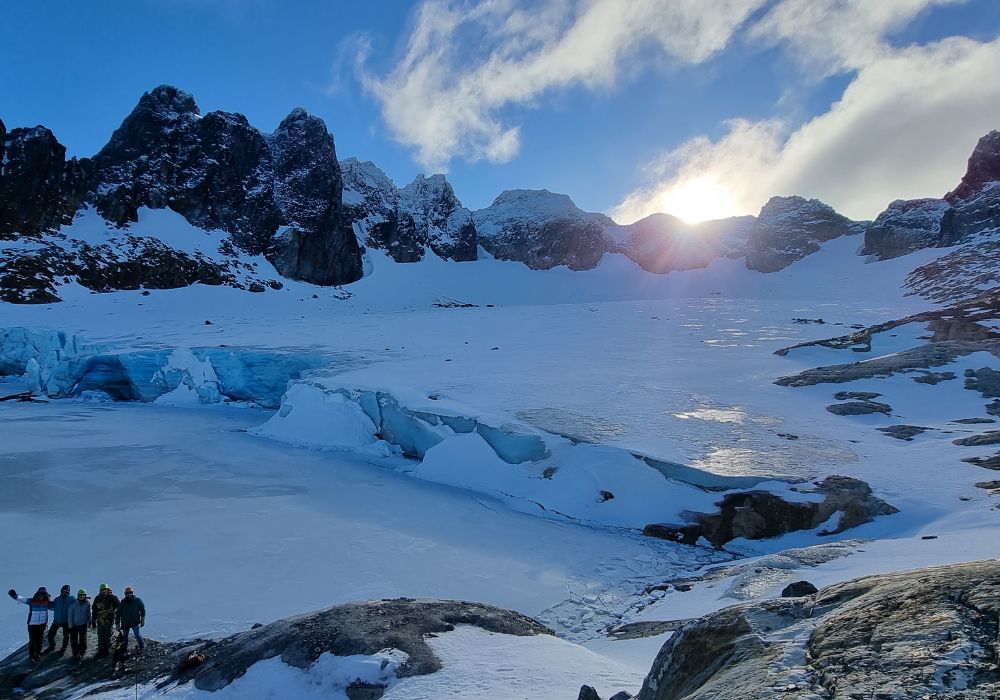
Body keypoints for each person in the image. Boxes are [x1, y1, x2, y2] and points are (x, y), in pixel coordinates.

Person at [8, 587, 52, 662]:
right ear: (37, 594)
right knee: (32, 640)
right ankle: (31, 655)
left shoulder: (47, 603)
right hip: (32, 624)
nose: (41, 596)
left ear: (45, 595)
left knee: (39, 639)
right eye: (39, 594)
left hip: (42, 625)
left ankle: (37, 653)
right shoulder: (32, 601)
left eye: (42, 594)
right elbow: (22, 599)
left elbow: (55, 608)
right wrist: (15, 595)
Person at [91, 583, 120, 658]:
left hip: (109, 619)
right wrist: (93, 620)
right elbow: (94, 610)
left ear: (107, 590)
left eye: (105, 590)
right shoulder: (97, 598)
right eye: (102, 590)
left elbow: (119, 606)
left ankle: (107, 650)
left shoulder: (112, 597)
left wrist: (117, 615)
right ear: (100, 590)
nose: (104, 591)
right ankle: (100, 651)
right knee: (100, 635)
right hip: (100, 620)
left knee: (108, 634)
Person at [115, 586, 145, 654]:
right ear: (125, 594)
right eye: (127, 593)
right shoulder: (122, 602)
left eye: (130, 593)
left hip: (135, 622)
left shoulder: (137, 600)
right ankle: (124, 649)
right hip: (125, 623)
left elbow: (142, 610)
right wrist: (117, 624)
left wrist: (142, 619)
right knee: (125, 637)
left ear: (132, 593)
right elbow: (118, 613)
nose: (129, 594)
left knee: (137, 634)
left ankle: (142, 646)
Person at [46, 584, 73, 655]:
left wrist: (84, 599)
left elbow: (77, 603)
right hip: (56, 621)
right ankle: (52, 646)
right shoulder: (57, 599)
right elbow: (51, 607)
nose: (65, 593)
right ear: (61, 591)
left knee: (66, 635)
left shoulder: (71, 598)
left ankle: (64, 648)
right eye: (64, 591)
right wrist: (47, 599)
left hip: (66, 620)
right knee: (50, 635)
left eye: (67, 592)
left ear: (69, 592)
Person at [67, 589, 91, 660]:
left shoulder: (87, 603)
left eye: (83, 595)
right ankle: (75, 654)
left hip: (83, 624)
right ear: (78, 596)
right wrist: (70, 626)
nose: (82, 597)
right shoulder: (73, 604)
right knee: (74, 640)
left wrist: (89, 621)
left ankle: (82, 652)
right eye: (81, 595)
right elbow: (70, 616)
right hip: (74, 625)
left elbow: (88, 612)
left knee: (82, 639)